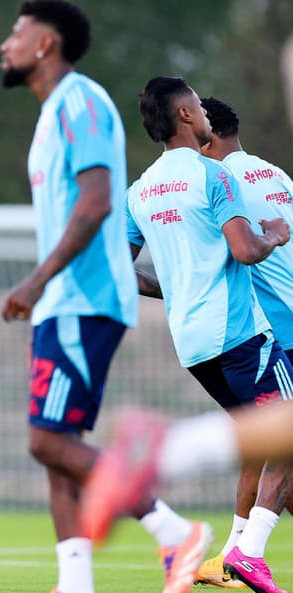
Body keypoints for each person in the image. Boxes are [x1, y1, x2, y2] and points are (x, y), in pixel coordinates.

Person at [0, 4, 212, 593]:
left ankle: (176, 534)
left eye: (15, 32)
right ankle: (75, 582)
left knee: (45, 440)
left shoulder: (80, 101)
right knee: (58, 445)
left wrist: (38, 282)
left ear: (45, 42)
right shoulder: (49, 117)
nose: (5, 44)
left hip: (82, 300)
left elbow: (96, 203)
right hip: (62, 304)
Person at [81, 76, 292, 593]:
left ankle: (235, 549)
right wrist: (274, 235)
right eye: (196, 105)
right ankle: (166, 458)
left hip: (193, 343)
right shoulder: (215, 175)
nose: (201, 112)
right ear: (186, 117)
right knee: (285, 434)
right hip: (244, 332)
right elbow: (245, 251)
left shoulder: (140, 190)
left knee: (262, 438)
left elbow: (117, 271)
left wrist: (174, 286)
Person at [194, 95, 293, 588]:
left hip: (279, 329)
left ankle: (247, 552)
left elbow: (235, 256)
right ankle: (237, 553)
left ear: (207, 138)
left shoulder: (220, 183)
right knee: (266, 442)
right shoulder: (276, 174)